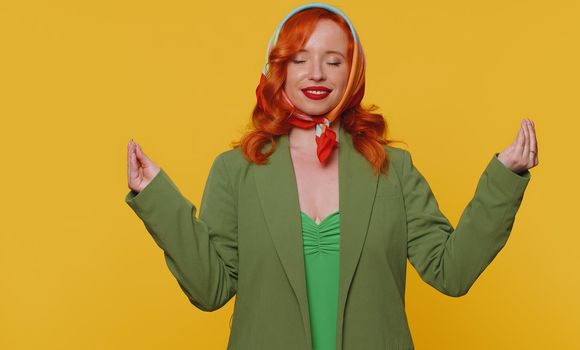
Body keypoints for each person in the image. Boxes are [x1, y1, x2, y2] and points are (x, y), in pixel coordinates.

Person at [125, 3, 538, 350]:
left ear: (352, 72)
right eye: (300, 59)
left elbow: (452, 272)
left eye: (334, 60)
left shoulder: (393, 169)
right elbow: (210, 289)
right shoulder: (236, 171)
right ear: (279, 69)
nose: (317, 73)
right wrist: (156, 197)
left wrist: (505, 177)